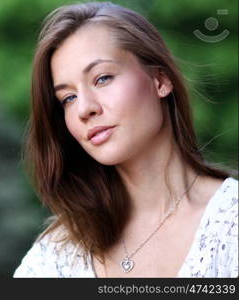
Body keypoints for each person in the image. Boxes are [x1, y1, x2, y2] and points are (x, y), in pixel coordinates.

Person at [13, 2, 238, 278]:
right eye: (68, 98)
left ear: (160, 80)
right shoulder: (58, 254)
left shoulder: (231, 224)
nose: (84, 109)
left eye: (103, 78)